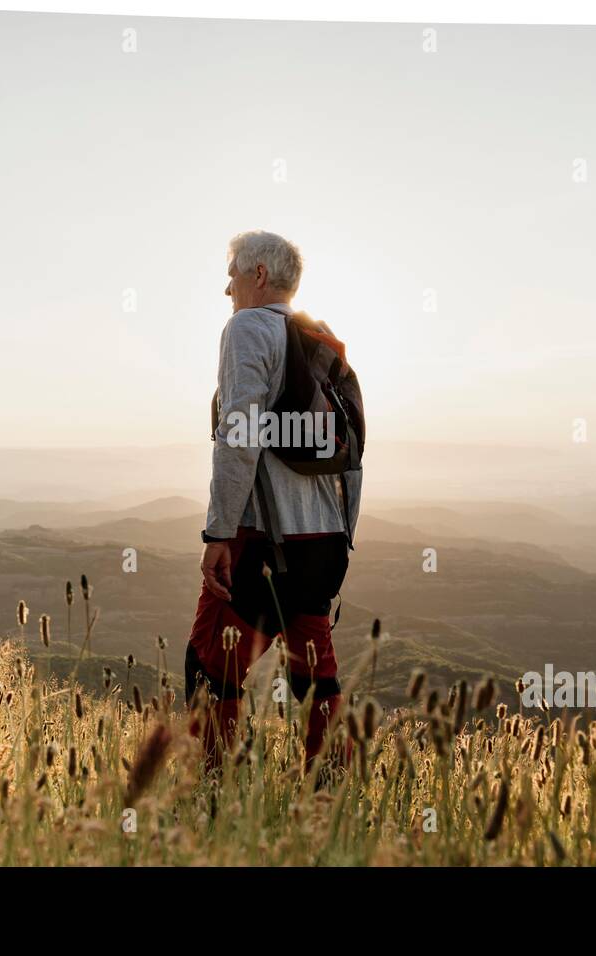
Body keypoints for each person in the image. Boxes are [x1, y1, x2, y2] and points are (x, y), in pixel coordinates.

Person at [184, 230, 361, 775]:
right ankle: (331, 799)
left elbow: (238, 436)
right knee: (316, 679)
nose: (226, 287)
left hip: (262, 539)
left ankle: (214, 792)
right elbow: (352, 450)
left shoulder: (246, 329)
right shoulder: (320, 337)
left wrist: (219, 534)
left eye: (233, 272)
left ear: (258, 274)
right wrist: (343, 539)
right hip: (323, 542)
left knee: (210, 667)